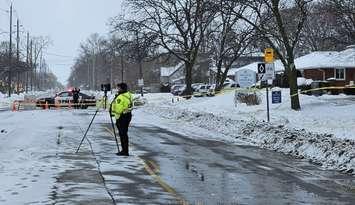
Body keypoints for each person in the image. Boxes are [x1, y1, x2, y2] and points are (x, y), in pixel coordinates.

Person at [110, 83, 133, 156]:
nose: (117, 89)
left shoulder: (120, 97)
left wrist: (114, 113)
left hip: (121, 117)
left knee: (122, 134)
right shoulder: (129, 95)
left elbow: (119, 109)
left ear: (121, 89)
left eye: (118, 88)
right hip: (128, 115)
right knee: (124, 134)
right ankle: (125, 150)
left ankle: (124, 151)